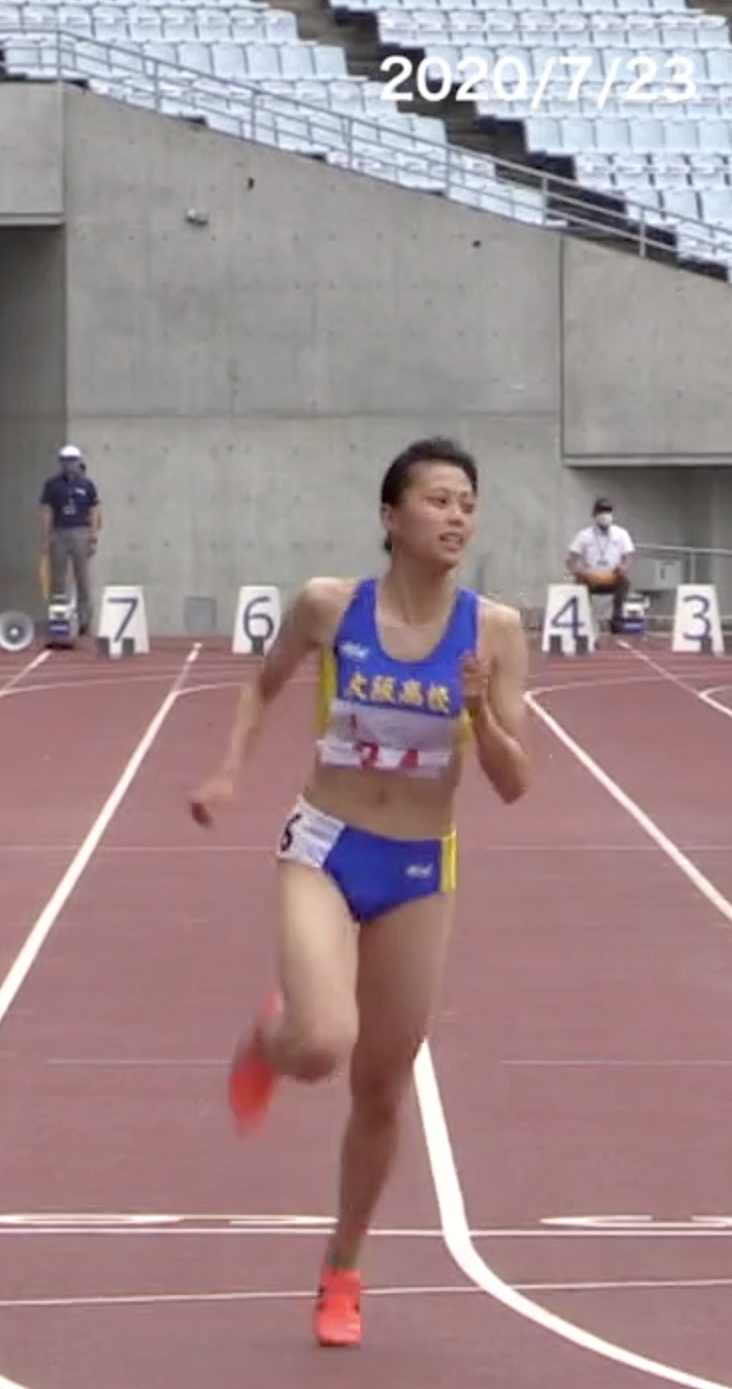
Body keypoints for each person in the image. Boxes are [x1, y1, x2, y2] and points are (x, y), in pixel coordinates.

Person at [189, 435, 534, 1349]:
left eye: (468, 501)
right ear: (391, 516)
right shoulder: (328, 607)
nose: (457, 515)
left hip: (422, 866)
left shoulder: (493, 631)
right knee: (322, 1044)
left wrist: (477, 713)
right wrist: (228, 771)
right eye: (437, 499)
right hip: (327, 844)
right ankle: (273, 1036)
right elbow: (258, 691)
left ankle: (343, 1269)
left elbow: (514, 778)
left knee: (382, 1087)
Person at [40, 444, 99, 634]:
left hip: (81, 531)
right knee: (58, 580)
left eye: (73, 461)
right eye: (66, 461)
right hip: (60, 532)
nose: (69, 465)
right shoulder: (52, 485)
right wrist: (46, 535)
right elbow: (47, 510)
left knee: (82, 579)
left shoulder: (87, 485)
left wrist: (93, 536)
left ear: (79, 461)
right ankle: (58, 621)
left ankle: (84, 621)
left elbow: (94, 511)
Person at [566, 497, 635, 627]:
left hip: (612, 576)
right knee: (579, 583)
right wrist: (581, 572)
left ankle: (617, 621)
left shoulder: (621, 534)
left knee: (625, 582)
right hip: (591, 577)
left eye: (608, 511)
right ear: (594, 514)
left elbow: (628, 557)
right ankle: (585, 620)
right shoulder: (584, 535)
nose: (605, 515)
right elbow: (571, 559)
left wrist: (623, 568)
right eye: (601, 511)